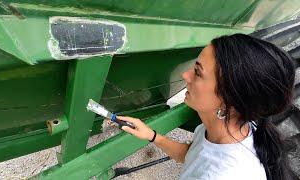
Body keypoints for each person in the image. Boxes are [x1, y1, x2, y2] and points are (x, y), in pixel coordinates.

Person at [114, 34, 296, 180]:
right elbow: (192, 155)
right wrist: (152, 135)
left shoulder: (224, 174)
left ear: (229, 100)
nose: (186, 75)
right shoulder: (228, 128)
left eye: (198, 72)